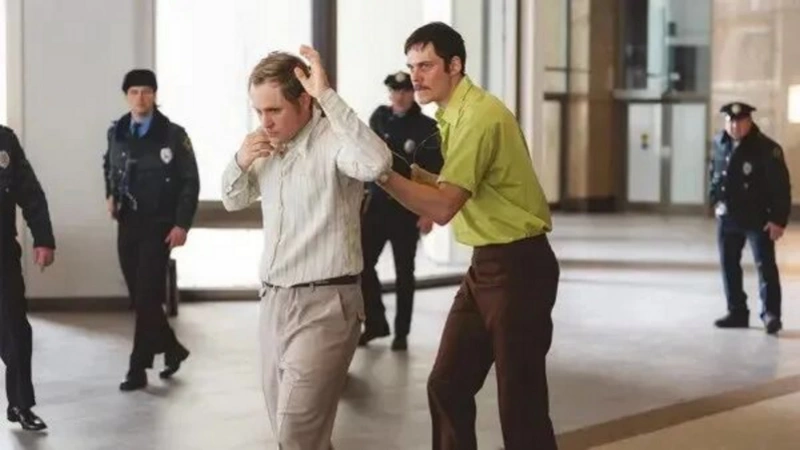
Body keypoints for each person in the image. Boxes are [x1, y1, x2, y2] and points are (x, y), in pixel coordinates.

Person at [375, 22, 560, 449]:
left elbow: (443, 207)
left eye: (426, 66)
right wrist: (402, 170)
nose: (415, 76)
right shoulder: (453, 116)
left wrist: (385, 178)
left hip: (519, 266)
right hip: (486, 266)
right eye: (411, 66)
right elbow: (451, 185)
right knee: (447, 385)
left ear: (455, 65)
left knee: (521, 405)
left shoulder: (479, 117)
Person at [220, 47, 391, 449]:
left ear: (304, 100)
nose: (265, 121)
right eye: (258, 111)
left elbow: (377, 164)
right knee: (296, 435)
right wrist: (240, 160)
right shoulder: (265, 146)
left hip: (327, 304)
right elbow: (232, 199)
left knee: (296, 432)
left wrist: (327, 95)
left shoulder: (335, 141)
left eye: (274, 110)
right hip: (273, 302)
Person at [103, 69, 199, 391]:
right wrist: (110, 194)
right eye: (134, 92)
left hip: (159, 225)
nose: (140, 98)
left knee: (146, 296)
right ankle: (172, 348)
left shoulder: (173, 135)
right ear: (126, 96)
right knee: (140, 296)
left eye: (146, 91)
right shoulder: (117, 131)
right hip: (128, 222)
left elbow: (190, 181)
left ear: (155, 95)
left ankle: (137, 368)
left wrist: (182, 224)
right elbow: (109, 165)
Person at [358, 70, 443, 351]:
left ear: (412, 93)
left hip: (407, 209)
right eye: (395, 91)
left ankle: (401, 333)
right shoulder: (379, 118)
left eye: (405, 91)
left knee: (404, 272)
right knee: (361, 264)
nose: (400, 96)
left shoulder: (426, 127)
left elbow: (434, 172)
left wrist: (429, 213)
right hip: (377, 206)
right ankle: (375, 323)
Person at [709, 101, 790, 335]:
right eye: (730, 121)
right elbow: (715, 173)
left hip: (757, 217)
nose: (735, 126)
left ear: (749, 122)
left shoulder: (767, 149)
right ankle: (737, 311)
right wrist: (714, 200)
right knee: (729, 265)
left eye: (740, 121)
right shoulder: (719, 143)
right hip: (728, 216)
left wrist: (778, 219)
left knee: (765, 267)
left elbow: (781, 187)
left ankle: (771, 314)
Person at [0, 125, 55, 431]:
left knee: (16, 329)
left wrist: (43, 238)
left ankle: (21, 404)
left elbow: (31, 193)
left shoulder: (4, 141)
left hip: (2, 254)